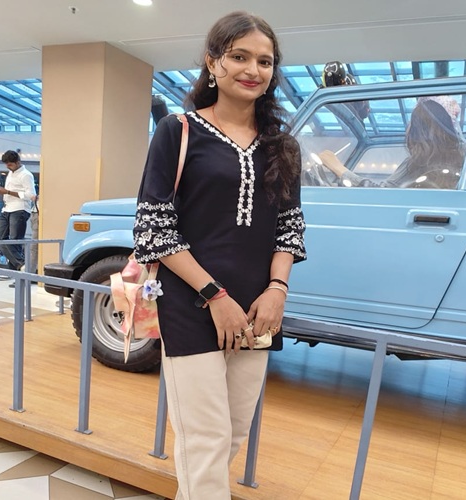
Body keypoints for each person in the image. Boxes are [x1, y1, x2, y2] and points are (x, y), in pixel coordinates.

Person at [133, 11, 306, 500]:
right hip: (191, 303)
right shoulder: (178, 130)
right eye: (239, 56)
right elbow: (154, 227)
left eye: (265, 61)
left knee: (232, 432)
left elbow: (290, 227)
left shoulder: (283, 146)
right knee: (205, 438)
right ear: (212, 62)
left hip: (258, 309)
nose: (253, 69)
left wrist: (277, 290)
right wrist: (214, 295)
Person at [319, 96, 466, 189]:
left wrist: (339, 168)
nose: (407, 129)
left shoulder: (417, 165)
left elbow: (383, 195)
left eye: (411, 123)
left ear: (420, 131)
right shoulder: (463, 163)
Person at [0, 150, 36, 283]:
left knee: (15, 240)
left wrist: (7, 191)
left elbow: (31, 195)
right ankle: (20, 267)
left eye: (10, 164)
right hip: (7, 208)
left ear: (18, 162)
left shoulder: (26, 175)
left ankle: (19, 270)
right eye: (6, 164)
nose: (8, 166)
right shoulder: (11, 173)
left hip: (20, 209)